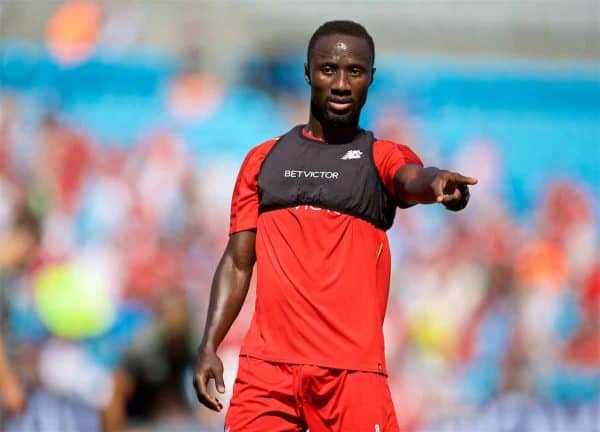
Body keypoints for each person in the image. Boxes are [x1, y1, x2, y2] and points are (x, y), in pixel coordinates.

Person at [193, 20, 478, 431]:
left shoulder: (380, 157)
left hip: (351, 375)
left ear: (370, 78)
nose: (342, 84)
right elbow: (238, 263)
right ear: (309, 72)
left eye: (355, 72)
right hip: (266, 373)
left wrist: (435, 185)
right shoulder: (262, 161)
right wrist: (209, 346)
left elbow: (409, 178)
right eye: (329, 70)